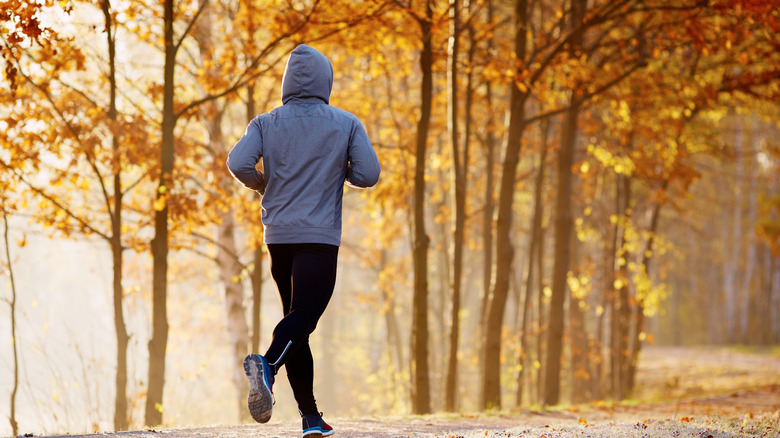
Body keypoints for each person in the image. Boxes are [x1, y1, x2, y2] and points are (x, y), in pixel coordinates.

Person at [226, 44, 381, 438]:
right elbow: (368, 174)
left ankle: (311, 418)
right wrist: (338, 170)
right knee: (302, 319)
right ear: (326, 81)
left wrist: (263, 185)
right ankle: (268, 367)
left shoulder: (266, 122)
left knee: (297, 325)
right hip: (318, 237)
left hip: (278, 236)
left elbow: (238, 162)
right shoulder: (345, 123)